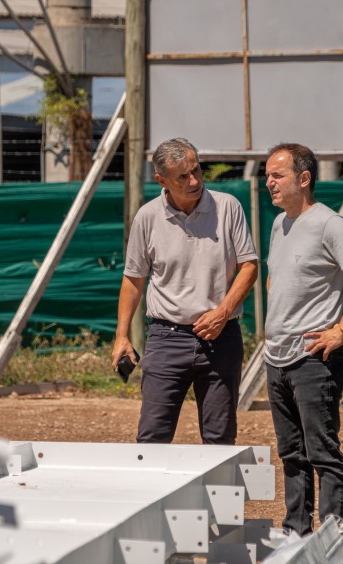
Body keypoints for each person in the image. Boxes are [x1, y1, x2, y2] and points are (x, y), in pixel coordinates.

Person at [263, 143, 343, 535]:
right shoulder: (279, 225)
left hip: (314, 359)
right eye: (267, 175)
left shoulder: (330, 224)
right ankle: (297, 533)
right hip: (276, 358)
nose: (269, 183)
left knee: (322, 453)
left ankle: (331, 541)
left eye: (277, 175)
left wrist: (341, 329)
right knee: (291, 454)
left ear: (304, 178)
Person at [111, 137, 259, 445]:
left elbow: (249, 267)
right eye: (183, 176)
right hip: (166, 338)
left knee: (220, 439)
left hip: (221, 336)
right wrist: (122, 336)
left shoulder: (228, 207)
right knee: (152, 437)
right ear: (161, 180)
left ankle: (220, 495)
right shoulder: (147, 217)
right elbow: (133, 279)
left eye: (196, 171)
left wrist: (222, 312)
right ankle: (153, 494)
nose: (193, 181)